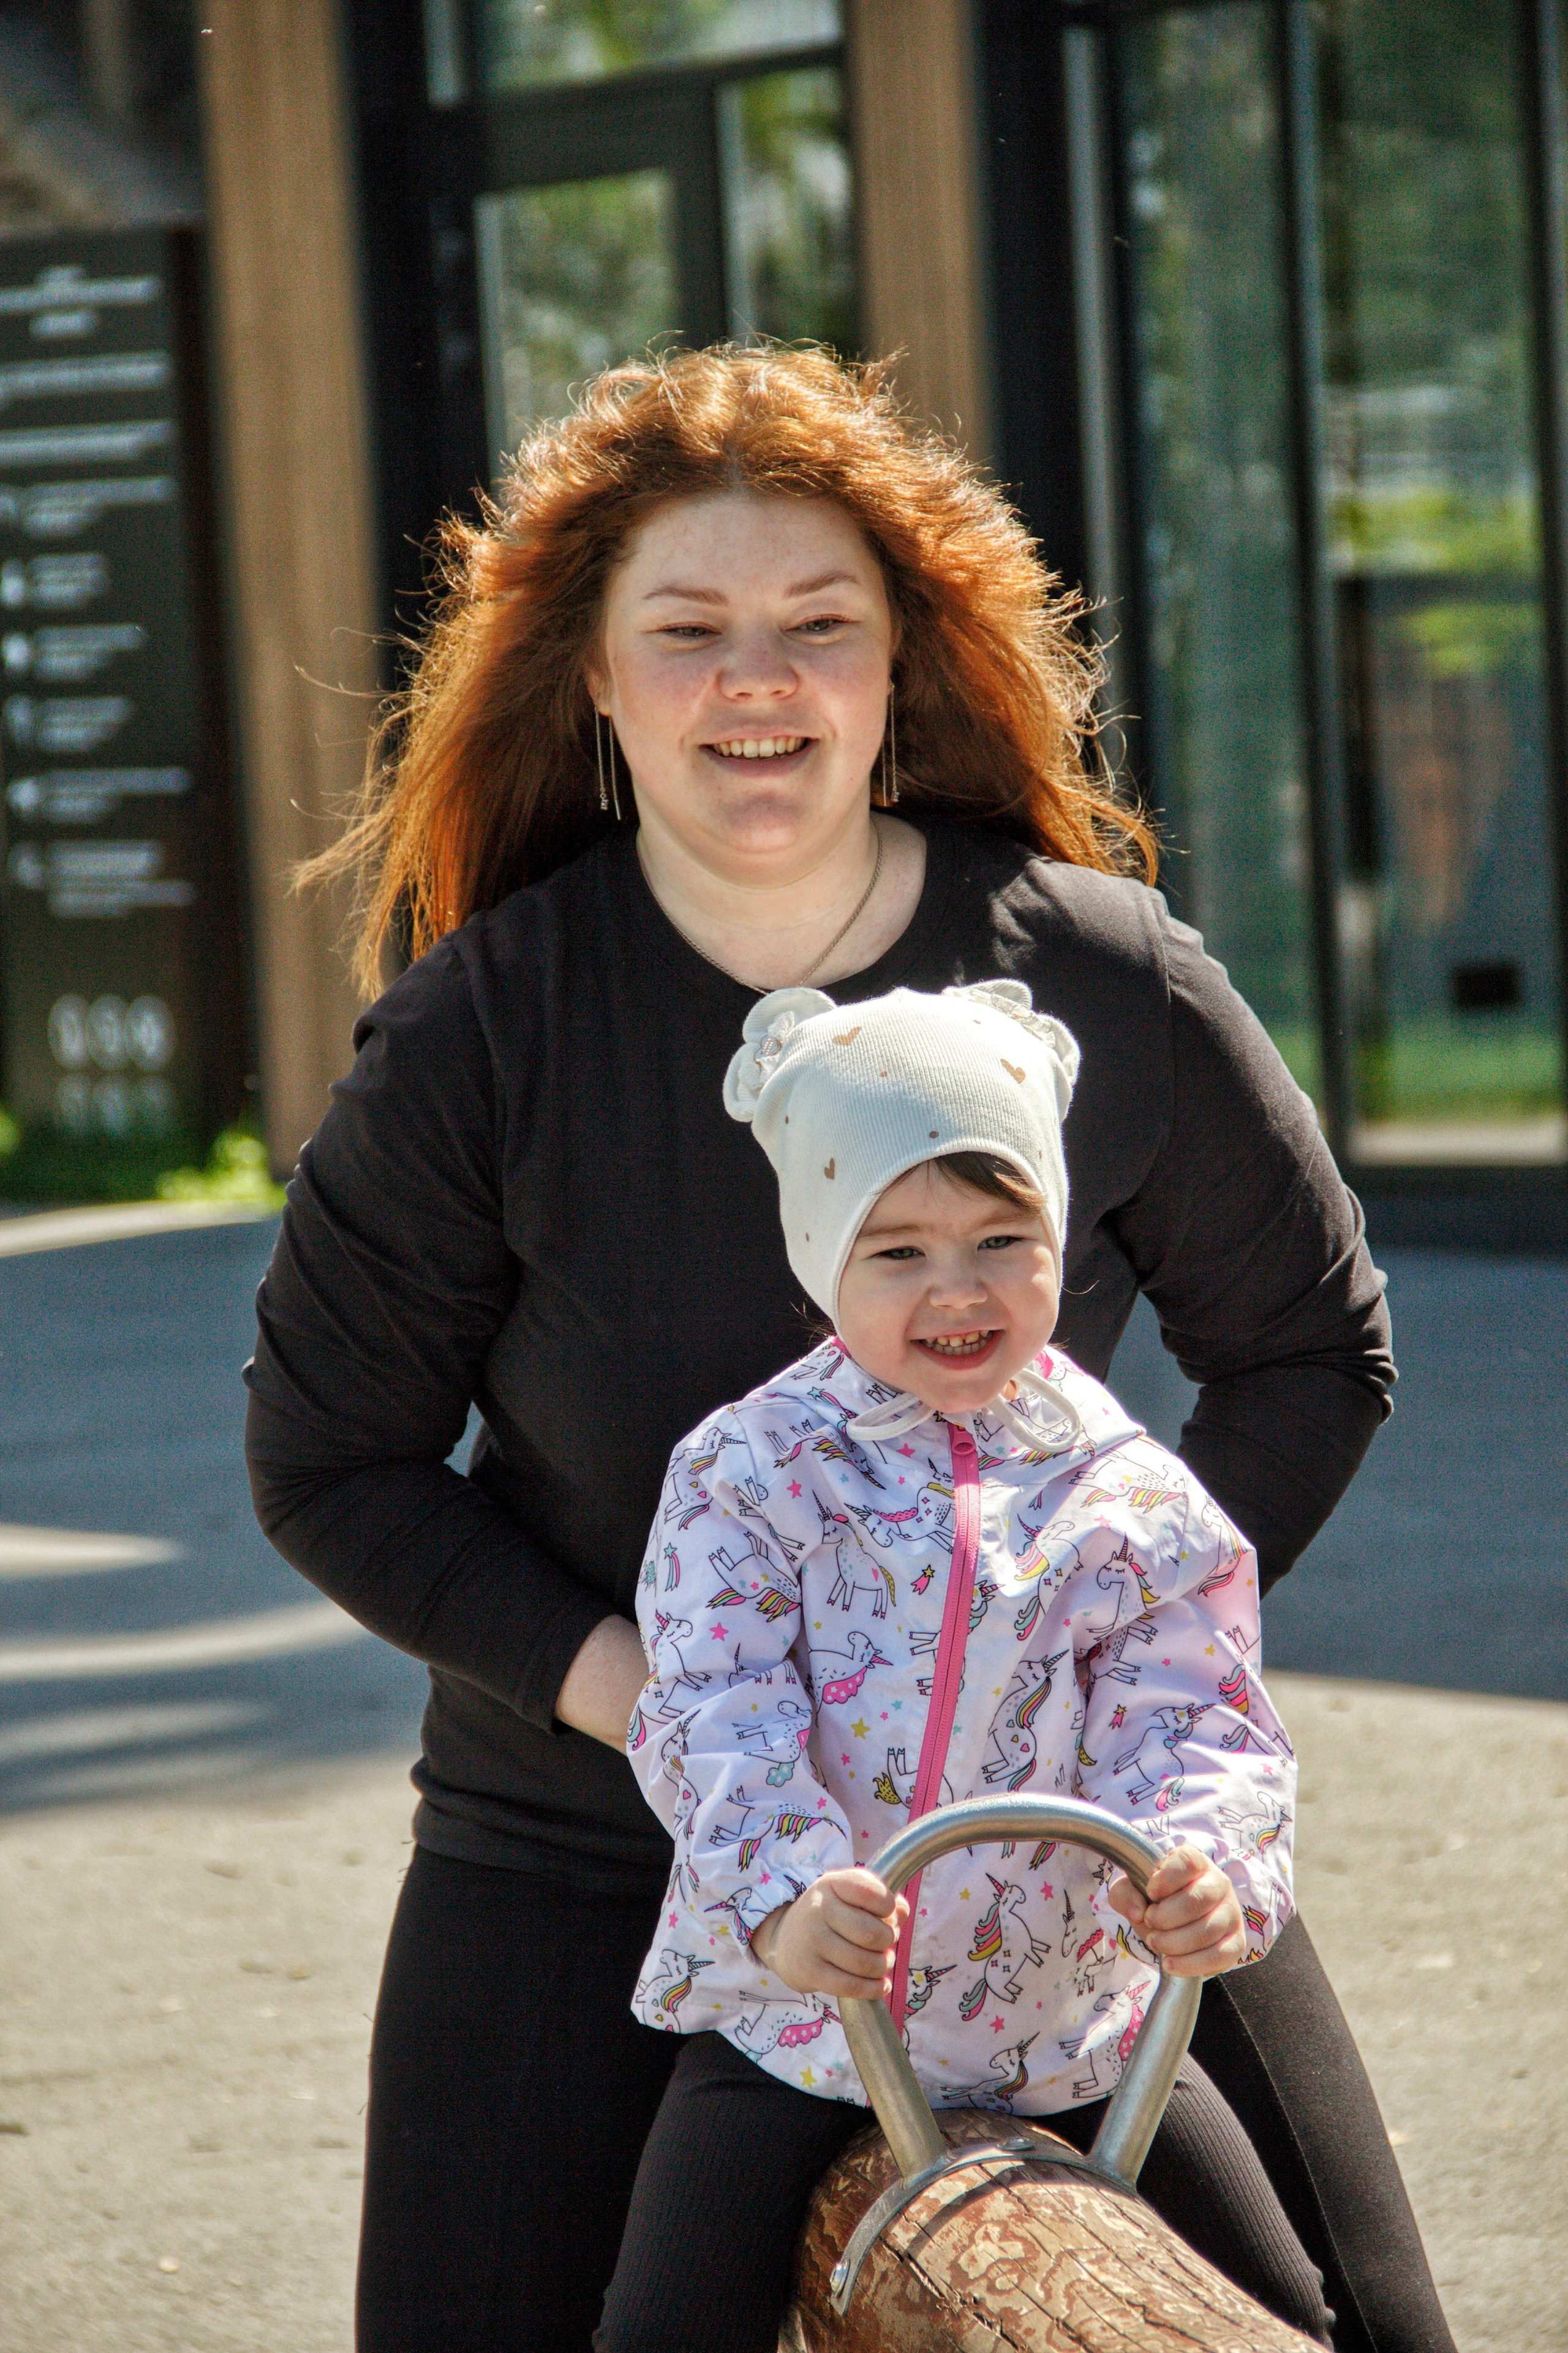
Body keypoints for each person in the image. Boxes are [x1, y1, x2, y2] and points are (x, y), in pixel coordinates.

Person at [245, 346, 1452, 2353]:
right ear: (600, 689)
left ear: (902, 670)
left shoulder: (1101, 975)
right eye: (689, 631)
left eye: (820, 628)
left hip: (1069, 1857)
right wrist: (685, 1726)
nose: (757, 681)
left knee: (1371, 2333)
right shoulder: (485, 1033)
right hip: (593, 1847)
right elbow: (330, 1465)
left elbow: (1312, 1350)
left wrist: (1114, 1676)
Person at [611, 976, 1327, 2347]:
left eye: (1004, 1237)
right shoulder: (750, 1472)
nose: (958, 1290)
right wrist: (781, 1893)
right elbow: (712, 1705)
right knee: (663, 2326)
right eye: (896, 1252)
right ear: (822, 1257)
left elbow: (1204, 1717)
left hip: (1076, 2026)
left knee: (1280, 2311)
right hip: (812, 2015)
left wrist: (1203, 1870)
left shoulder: (1122, 1486)